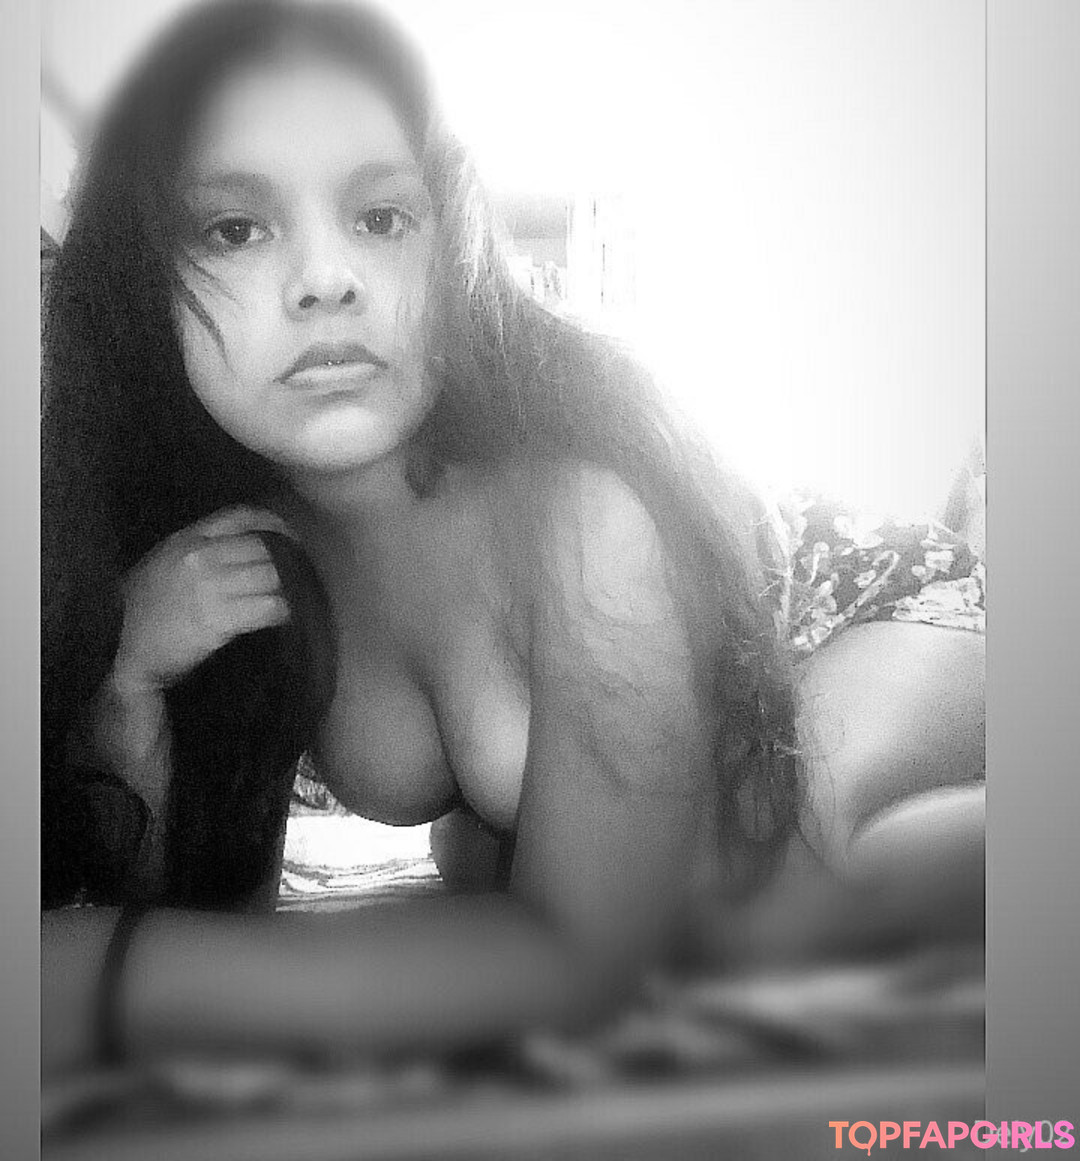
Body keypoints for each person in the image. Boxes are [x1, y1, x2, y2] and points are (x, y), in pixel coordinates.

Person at [41, 0, 982, 1079]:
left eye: (382, 216)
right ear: (137, 292)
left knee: (785, 884)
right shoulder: (236, 555)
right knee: (515, 883)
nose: (328, 277)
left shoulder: (579, 515)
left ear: (453, 248)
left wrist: (110, 977)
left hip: (867, 607)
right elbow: (211, 912)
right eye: (234, 230)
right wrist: (127, 688)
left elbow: (584, 965)